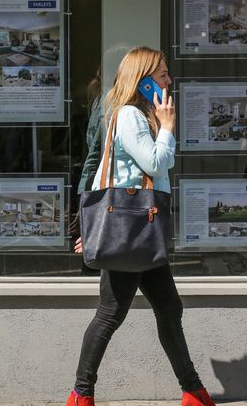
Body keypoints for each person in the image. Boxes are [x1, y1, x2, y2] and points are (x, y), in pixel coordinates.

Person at [67, 46, 216, 406]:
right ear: (145, 79)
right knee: (110, 314)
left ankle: (193, 391)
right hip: (132, 230)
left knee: (168, 307)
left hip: (141, 230)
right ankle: (80, 394)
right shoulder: (132, 116)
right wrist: (167, 126)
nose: (169, 79)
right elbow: (155, 163)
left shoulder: (135, 115)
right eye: (163, 74)